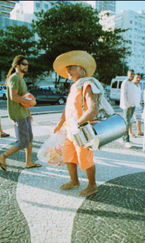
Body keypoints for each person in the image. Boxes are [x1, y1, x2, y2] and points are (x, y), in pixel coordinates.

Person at [53, 50, 101, 197]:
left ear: (81, 68)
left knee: (85, 158)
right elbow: (68, 108)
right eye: (67, 68)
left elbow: (93, 110)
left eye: (71, 67)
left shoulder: (86, 85)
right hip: (70, 130)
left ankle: (92, 185)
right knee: (68, 156)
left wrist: (77, 124)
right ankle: (74, 181)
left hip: (81, 130)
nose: (68, 70)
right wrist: (61, 123)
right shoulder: (74, 86)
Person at [0, 55, 41, 171]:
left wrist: (29, 111)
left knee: (30, 139)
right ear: (16, 65)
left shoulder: (21, 79)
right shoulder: (14, 78)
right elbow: (13, 97)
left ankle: (29, 162)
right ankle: (3, 156)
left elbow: (23, 99)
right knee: (22, 142)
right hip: (18, 115)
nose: (26, 66)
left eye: (27, 64)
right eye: (24, 64)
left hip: (24, 113)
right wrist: (31, 102)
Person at [119, 69, 137, 148]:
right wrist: (127, 104)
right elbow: (123, 95)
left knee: (128, 122)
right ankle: (126, 140)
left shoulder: (132, 84)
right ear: (127, 74)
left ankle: (123, 138)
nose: (132, 75)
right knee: (126, 122)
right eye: (130, 74)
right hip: (127, 106)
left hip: (132, 105)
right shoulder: (125, 83)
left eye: (133, 74)